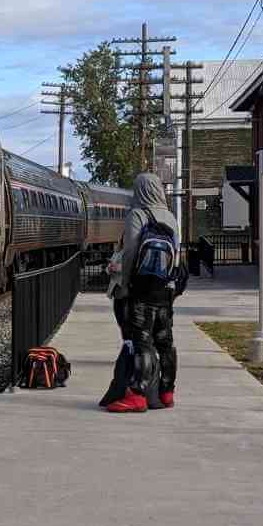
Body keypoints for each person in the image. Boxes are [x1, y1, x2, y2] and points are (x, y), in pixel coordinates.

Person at [104, 172, 179, 413]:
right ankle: (167, 392)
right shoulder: (171, 216)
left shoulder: (137, 214)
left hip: (141, 290)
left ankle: (137, 394)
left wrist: (124, 282)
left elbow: (130, 253)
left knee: (142, 342)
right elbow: (176, 254)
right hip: (165, 290)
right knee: (165, 342)